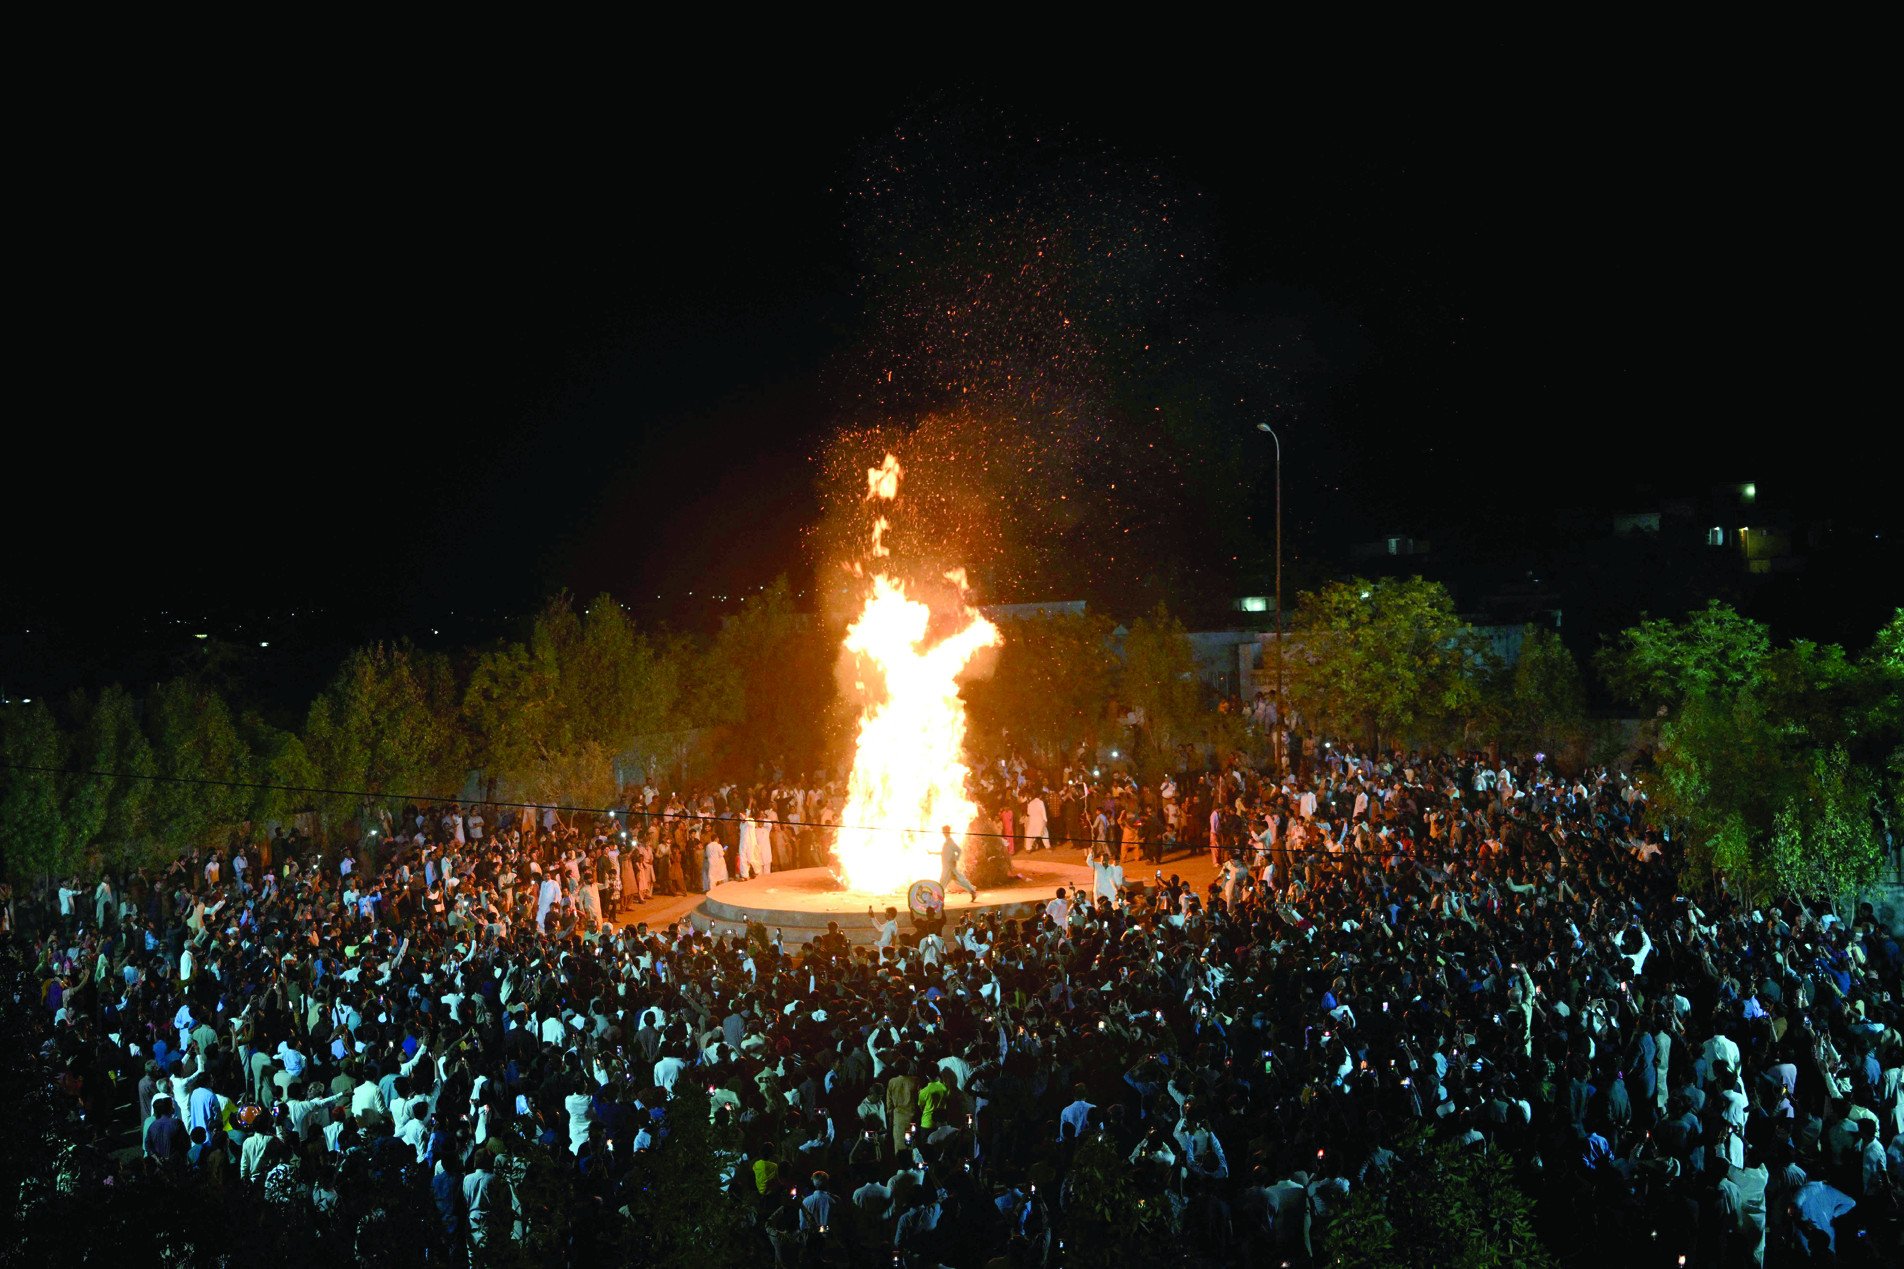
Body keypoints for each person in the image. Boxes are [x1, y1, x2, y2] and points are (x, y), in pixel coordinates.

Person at [940, 826, 978, 902]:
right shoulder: (947, 842)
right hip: (948, 867)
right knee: (960, 881)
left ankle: (939, 899)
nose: (943, 833)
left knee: (943, 882)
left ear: (947, 832)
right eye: (943, 831)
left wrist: (955, 860)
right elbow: (945, 853)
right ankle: (972, 891)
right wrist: (933, 853)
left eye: (944, 831)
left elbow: (959, 850)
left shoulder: (950, 842)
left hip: (950, 868)